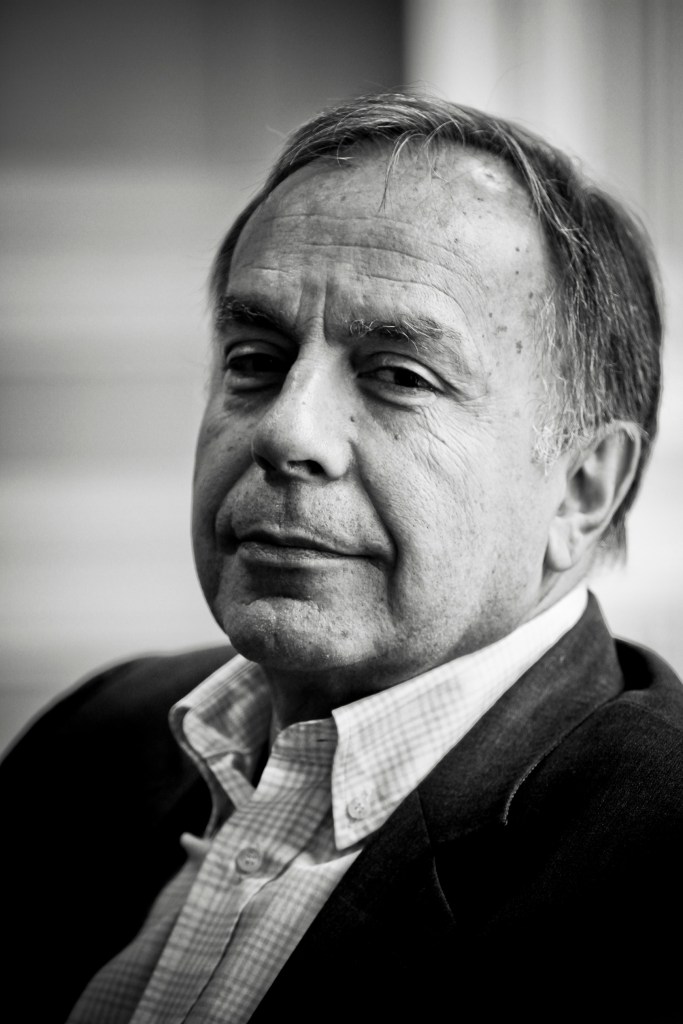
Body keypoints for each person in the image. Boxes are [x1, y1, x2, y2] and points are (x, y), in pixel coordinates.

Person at [2, 92, 682, 1024]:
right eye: (255, 359)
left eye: (399, 376)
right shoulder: (92, 742)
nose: (287, 431)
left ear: (580, 490)